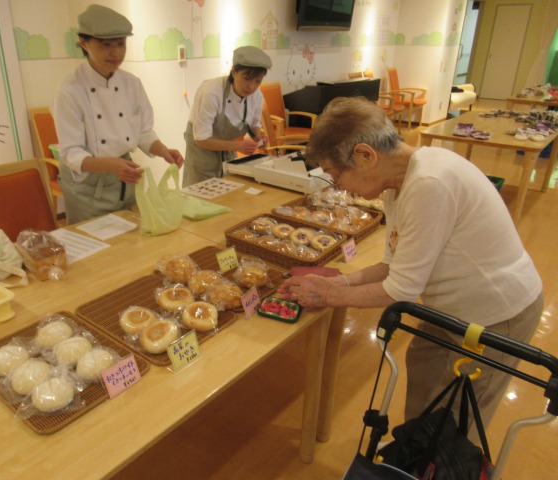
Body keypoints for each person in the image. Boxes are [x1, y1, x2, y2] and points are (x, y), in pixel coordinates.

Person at [278, 96, 544, 431]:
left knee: (458, 419)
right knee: (424, 372)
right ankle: (416, 450)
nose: (339, 186)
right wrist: (338, 283)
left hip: (496, 313)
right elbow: (392, 265)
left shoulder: (430, 182)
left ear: (365, 156)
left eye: (336, 174)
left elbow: (399, 290)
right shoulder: (397, 182)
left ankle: (434, 455)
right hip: (448, 309)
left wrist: (328, 295)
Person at [52, 4, 184, 224]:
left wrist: (163, 151)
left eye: (121, 44)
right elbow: (71, 153)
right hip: (86, 186)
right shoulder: (70, 90)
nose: (116, 53)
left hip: (124, 178)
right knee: (92, 240)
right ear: (84, 43)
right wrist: (111, 165)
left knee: (129, 235)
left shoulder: (132, 84)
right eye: (106, 45)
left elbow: (143, 132)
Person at [182, 46, 271, 187]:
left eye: (257, 81)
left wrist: (258, 138)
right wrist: (237, 145)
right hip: (202, 156)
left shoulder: (256, 96)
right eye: (247, 78)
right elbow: (201, 140)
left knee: (228, 192)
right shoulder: (211, 92)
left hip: (229, 155)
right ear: (234, 71)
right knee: (200, 195)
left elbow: (253, 124)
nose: (251, 87)